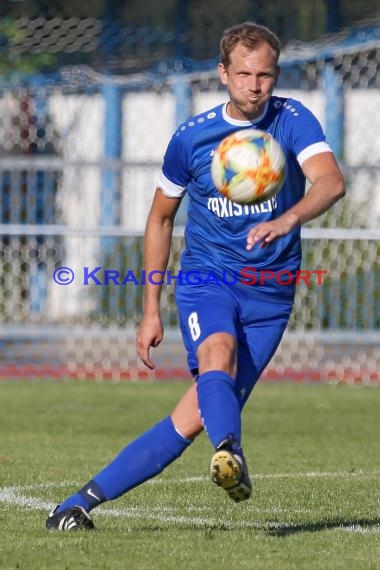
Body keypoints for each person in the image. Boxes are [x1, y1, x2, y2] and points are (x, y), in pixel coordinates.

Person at [46, 21, 345, 531]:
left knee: (189, 419)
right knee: (216, 355)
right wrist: (148, 312)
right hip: (207, 278)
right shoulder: (191, 138)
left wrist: (287, 217)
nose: (255, 85)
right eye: (245, 74)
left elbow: (330, 182)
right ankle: (230, 451)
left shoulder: (294, 120)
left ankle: (76, 505)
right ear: (222, 72)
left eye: (266, 75)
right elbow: (160, 219)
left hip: (271, 296)